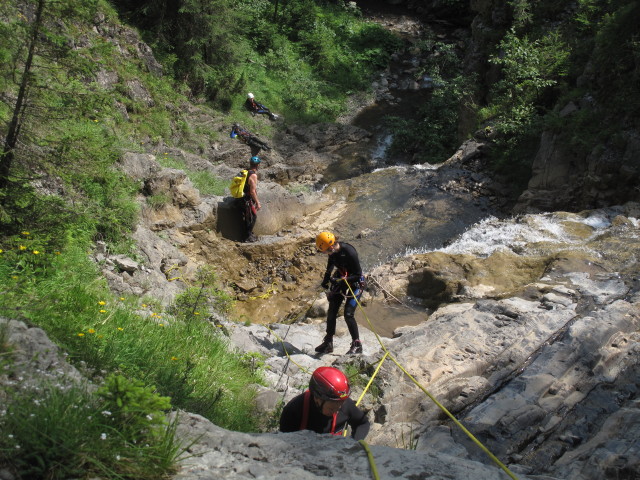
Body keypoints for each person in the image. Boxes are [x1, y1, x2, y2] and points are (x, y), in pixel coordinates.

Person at [279, 366, 370, 440]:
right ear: (317, 399)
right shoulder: (294, 410)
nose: (337, 410)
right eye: (332, 408)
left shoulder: (344, 405)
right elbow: (285, 444)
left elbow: (363, 423)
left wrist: (354, 444)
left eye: (340, 405)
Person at [315, 232, 365, 355]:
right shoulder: (332, 253)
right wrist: (326, 279)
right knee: (332, 310)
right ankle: (328, 343)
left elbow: (358, 274)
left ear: (331, 247)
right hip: (341, 279)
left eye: (325, 251)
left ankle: (357, 345)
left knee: (348, 314)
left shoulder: (349, 251)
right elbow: (331, 264)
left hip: (355, 282)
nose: (325, 254)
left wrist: (343, 280)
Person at [239, 156, 261, 243]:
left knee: (247, 217)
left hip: (241, 197)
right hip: (247, 199)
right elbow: (252, 192)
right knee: (252, 217)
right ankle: (248, 237)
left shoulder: (246, 171)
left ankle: (248, 234)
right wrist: (257, 202)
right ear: (258, 165)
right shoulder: (253, 175)